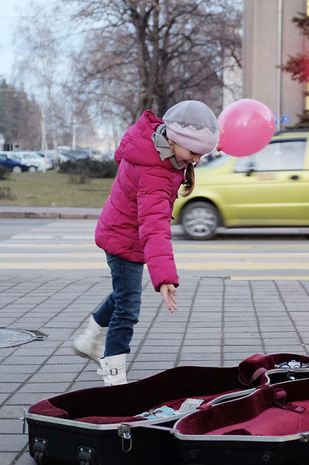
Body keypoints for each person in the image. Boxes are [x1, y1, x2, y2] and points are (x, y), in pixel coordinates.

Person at [72, 100, 220, 385]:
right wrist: (164, 278)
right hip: (124, 237)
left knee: (123, 292)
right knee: (128, 306)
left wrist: (206, 145)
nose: (197, 160)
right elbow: (155, 228)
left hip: (119, 229)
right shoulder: (155, 173)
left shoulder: (154, 145)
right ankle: (113, 375)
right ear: (175, 140)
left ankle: (91, 338)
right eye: (194, 153)